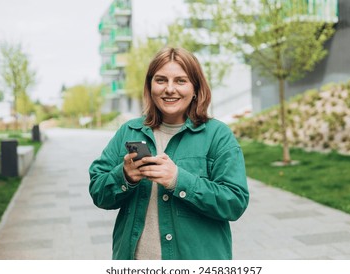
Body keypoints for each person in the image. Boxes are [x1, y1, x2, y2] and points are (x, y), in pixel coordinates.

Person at [89, 47, 249, 260]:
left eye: (181, 81)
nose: (170, 89)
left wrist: (178, 180)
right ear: (150, 86)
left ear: (195, 88)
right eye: (161, 80)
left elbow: (234, 203)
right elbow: (98, 192)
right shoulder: (128, 131)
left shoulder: (217, 135)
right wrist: (124, 176)